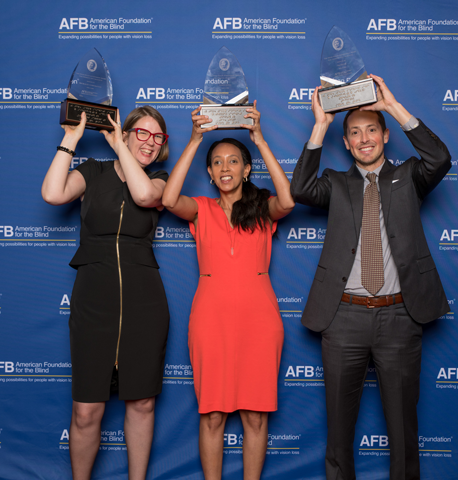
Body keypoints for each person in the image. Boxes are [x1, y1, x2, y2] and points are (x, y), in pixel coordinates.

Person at [290, 74, 451, 480]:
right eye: (355, 133)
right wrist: (321, 125)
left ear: (384, 135)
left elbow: (440, 159)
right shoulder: (336, 183)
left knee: (402, 429)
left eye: (371, 130)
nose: (364, 139)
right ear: (345, 143)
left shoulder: (410, 177)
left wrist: (393, 106)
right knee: (339, 431)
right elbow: (300, 189)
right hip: (343, 318)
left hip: (400, 316)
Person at [162, 102, 294, 480]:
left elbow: (288, 200)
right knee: (213, 413)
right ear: (209, 171)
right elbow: (169, 199)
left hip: (259, 321)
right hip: (210, 320)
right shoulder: (201, 209)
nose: (225, 168)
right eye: (217, 162)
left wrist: (260, 140)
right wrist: (193, 141)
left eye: (234, 161)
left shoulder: (262, 209)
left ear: (247, 169)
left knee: (255, 415)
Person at [41, 106, 171, 480]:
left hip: (144, 302)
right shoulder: (93, 171)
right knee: (86, 411)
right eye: (142, 133)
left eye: (157, 136)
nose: (150, 142)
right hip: (93, 300)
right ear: (125, 133)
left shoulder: (161, 179)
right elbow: (53, 193)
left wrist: (123, 151)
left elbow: (144, 195)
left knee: (142, 402)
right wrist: (71, 138)